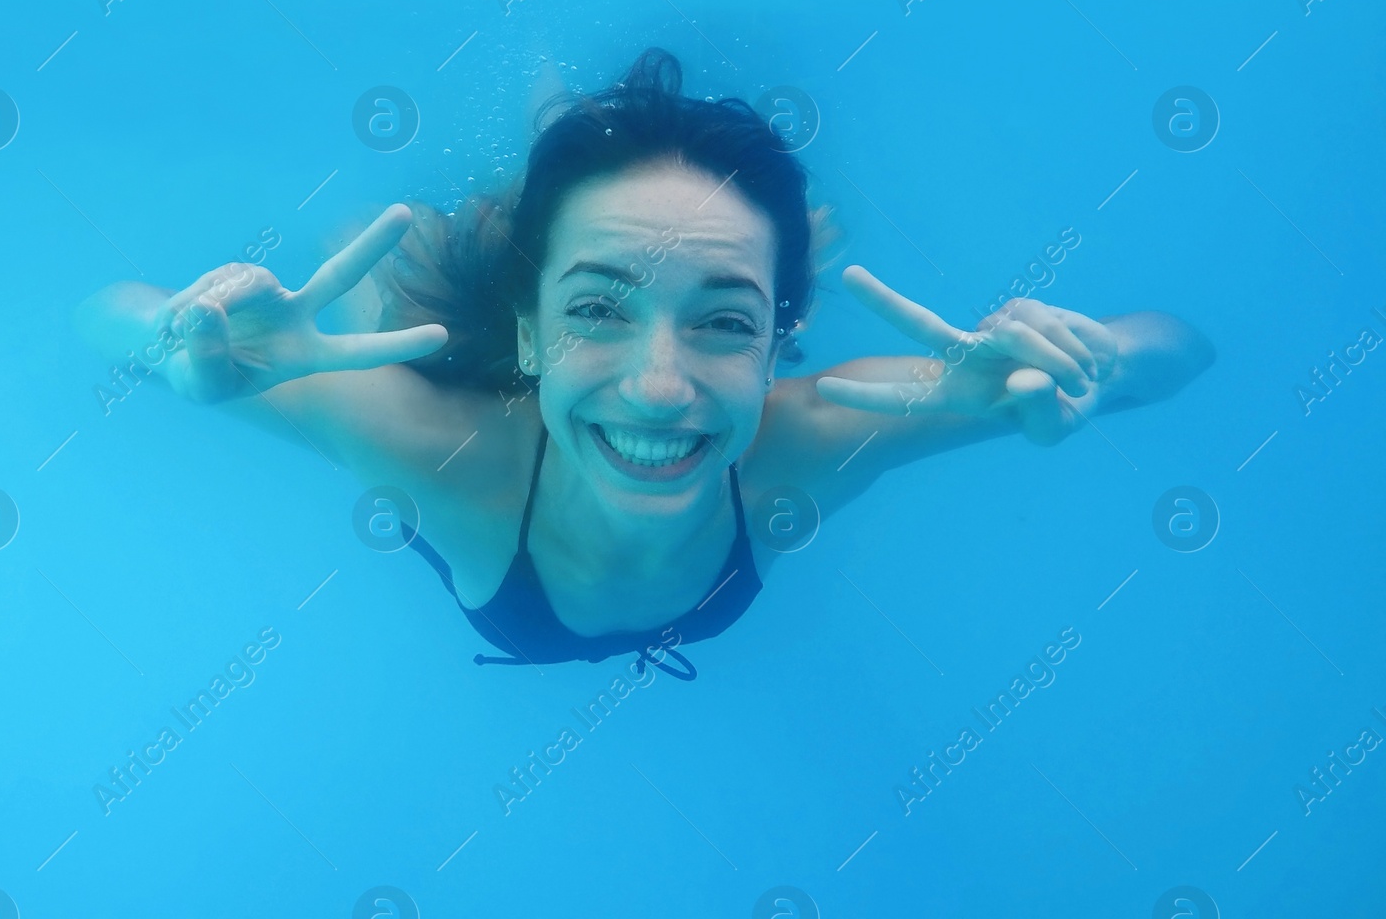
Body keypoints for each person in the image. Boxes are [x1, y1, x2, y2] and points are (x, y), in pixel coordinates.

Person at [76, 48, 1215, 678]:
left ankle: (643, 219)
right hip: (476, 363)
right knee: (411, 267)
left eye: (727, 324)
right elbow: (102, 316)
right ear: (534, 333)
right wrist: (185, 340)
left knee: (645, 245)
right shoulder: (441, 454)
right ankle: (568, 147)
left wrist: (1092, 363)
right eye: (595, 313)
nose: (661, 388)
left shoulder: (812, 439)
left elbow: (1181, 350)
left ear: (783, 345)